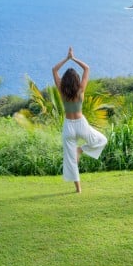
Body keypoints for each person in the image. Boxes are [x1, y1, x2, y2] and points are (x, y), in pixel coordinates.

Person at [52, 47, 107, 193]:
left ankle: (79, 189)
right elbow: (86, 68)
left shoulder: (62, 91)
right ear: (76, 80)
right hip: (81, 123)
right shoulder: (80, 90)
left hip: (68, 126)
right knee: (102, 140)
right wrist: (73, 58)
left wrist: (66, 58)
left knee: (70, 160)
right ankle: (81, 150)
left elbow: (54, 70)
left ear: (64, 81)